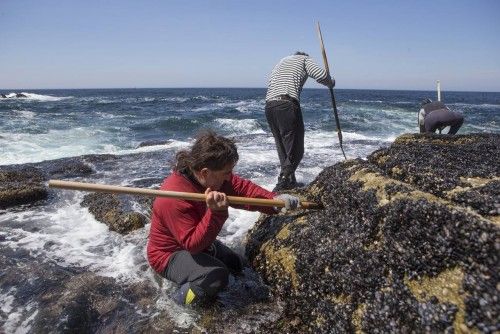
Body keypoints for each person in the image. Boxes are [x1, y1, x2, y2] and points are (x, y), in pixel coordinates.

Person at [147, 130, 300, 306]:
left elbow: (242, 189)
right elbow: (193, 244)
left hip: (198, 241)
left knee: (237, 264)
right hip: (168, 254)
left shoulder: (212, 178)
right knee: (216, 276)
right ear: (205, 172)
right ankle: (177, 304)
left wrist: (274, 201)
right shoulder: (173, 198)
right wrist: (216, 213)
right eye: (226, 172)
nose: (230, 176)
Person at [265, 51, 334, 191]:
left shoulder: (281, 61)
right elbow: (320, 75)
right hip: (286, 104)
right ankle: (282, 182)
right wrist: (330, 82)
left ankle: (290, 180)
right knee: (297, 149)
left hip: (269, 106)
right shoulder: (304, 59)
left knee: (283, 148)